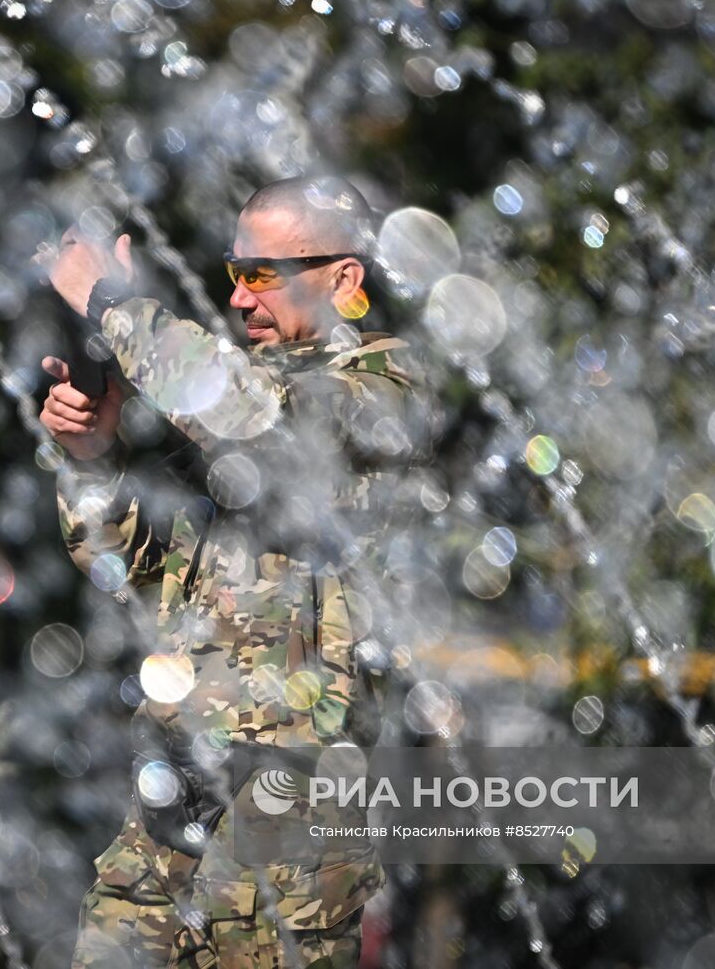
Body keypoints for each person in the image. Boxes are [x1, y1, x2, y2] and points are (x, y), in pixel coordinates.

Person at [40, 176, 436, 967]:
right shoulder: (233, 432)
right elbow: (135, 575)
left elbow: (255, 410)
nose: (241, 299)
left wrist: (111, 304)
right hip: (172, 799)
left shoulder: (386, 388)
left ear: (344, 278)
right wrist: (92, 462)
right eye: (233, 274)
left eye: (262, 275)